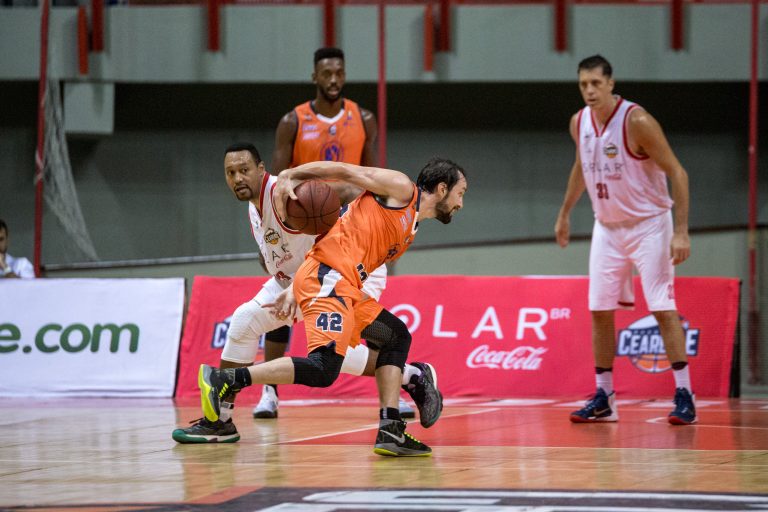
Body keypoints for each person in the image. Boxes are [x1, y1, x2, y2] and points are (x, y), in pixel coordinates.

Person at [172, 143, 442, 444]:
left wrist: (299, 284)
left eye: (244, 170)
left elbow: (344, 202)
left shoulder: (291, 194)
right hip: (300, 278)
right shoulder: (253, 206)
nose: (238, 178)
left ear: (261, 169)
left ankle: (407, 385)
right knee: (245, 322)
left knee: (332, 358)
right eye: (230, 173)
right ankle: (219, 422)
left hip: (339, 272)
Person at [255, 46, 417, 419]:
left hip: (349, 227)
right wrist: (269, 243)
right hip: (304, 226)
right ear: (314, 76)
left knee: (362, 309)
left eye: (339, 73)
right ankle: (269, 392)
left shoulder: (364, 118)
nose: (333, 79)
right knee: (282, 300)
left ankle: (392, 395)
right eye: (326, 73)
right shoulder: (293, 121)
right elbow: (274, 185)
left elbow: (374, 179)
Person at [554, 55, 695, 425]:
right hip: (607, 226)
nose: (589, 91)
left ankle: (685, 394)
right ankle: (605, 397)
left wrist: (681, 231)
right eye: (583, 84)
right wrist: (565, 212)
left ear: (610, 84)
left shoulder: (637, 121)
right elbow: (581, 167)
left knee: (662, 307)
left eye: (595, 84)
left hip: (650, 224)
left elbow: (678, 173)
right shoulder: (579, 122)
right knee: (599, 309)